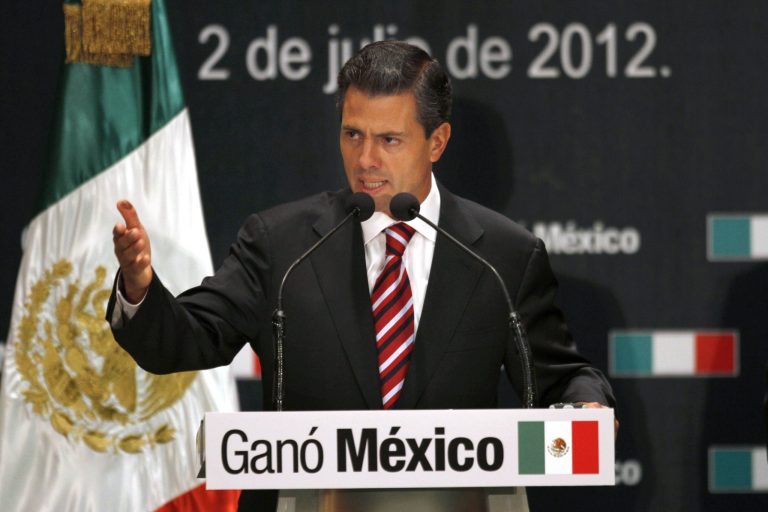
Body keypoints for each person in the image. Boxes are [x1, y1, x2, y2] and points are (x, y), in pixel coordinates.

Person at [109, 40, 616, 511]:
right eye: (353, 134)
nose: (366, 160)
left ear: (437, 141)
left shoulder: (502, 255)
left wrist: (586, 404)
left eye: (389, 139)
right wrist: (138, 288)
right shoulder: (280, 244)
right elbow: (186, 341)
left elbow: (563, 376)